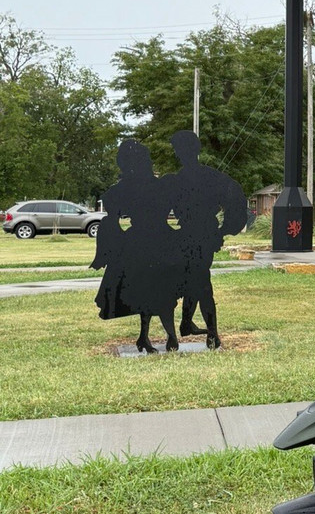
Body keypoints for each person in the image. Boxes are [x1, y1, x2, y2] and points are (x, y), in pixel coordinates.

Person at [92, 140, 184, 352]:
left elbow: (112, 222)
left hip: (151, 240)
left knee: (159, 289)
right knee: (152, 289)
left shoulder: (153, 186)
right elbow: (111, 222)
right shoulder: (134, 188)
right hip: (147, 242)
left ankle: (156, 336)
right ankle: (159, 336)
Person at [162, 130, 246, 349]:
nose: (180, 154)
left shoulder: (206, 178)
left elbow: (235, 198)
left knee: (200, 281)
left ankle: (208, 331)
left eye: (181, 150)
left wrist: (223, 230)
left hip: (203, 235)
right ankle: (191, 324)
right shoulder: (185, 179)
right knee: (196, 278)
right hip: (191, 234)